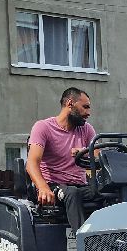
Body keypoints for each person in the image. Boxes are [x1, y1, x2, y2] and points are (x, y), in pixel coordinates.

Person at [27, 87, 96, 232]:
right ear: (70, 103)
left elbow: (98, 157)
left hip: (79, 186)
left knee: (106, 192)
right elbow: (32, 163)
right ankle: (87, 247)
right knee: (71, 193)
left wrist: (84, 152)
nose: (88, 113)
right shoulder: (43, 127)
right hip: (52, 186)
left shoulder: (87, 129)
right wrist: (43, 187)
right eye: (85, 107)